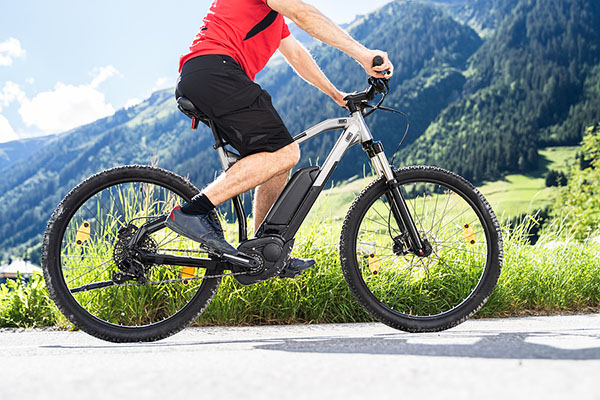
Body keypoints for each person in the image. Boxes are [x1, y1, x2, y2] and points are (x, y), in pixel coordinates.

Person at [167, 0, 394, 276]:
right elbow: (304, 14)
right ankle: (194, 211)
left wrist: (336, 95)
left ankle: (260, 253)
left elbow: (297, 55)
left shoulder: (272, 19)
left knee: (277, 161)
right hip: (216, 70)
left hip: (210, 73)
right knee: (286, 152)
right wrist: (364, 55)